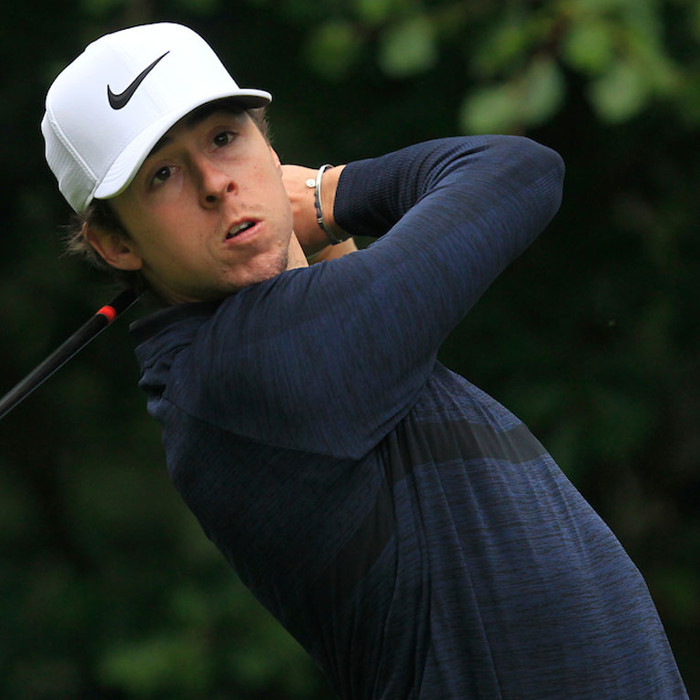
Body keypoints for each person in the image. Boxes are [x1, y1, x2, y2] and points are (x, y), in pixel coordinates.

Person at [41, 22, 688, 700]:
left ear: (268, 145)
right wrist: (328, 196)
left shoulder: (260, 355)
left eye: (225, 138)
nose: (215, 184)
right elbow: (518, 172)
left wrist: (320, 238)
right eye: (163, 175)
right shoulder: (247, 370)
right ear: (115, 244)